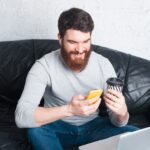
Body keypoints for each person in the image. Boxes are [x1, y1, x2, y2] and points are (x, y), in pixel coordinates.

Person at [15, 7, 138, 150]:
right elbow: (21, 116)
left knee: (135, 134)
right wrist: (69, 110)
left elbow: (117, 122)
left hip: (94, 127)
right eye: (73, 42)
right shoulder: (43, 66)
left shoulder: (103, 65)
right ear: (60, 39)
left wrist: (122, 112)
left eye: (86, 41)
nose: (80, 50)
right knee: (35, 131)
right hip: (57, 127)